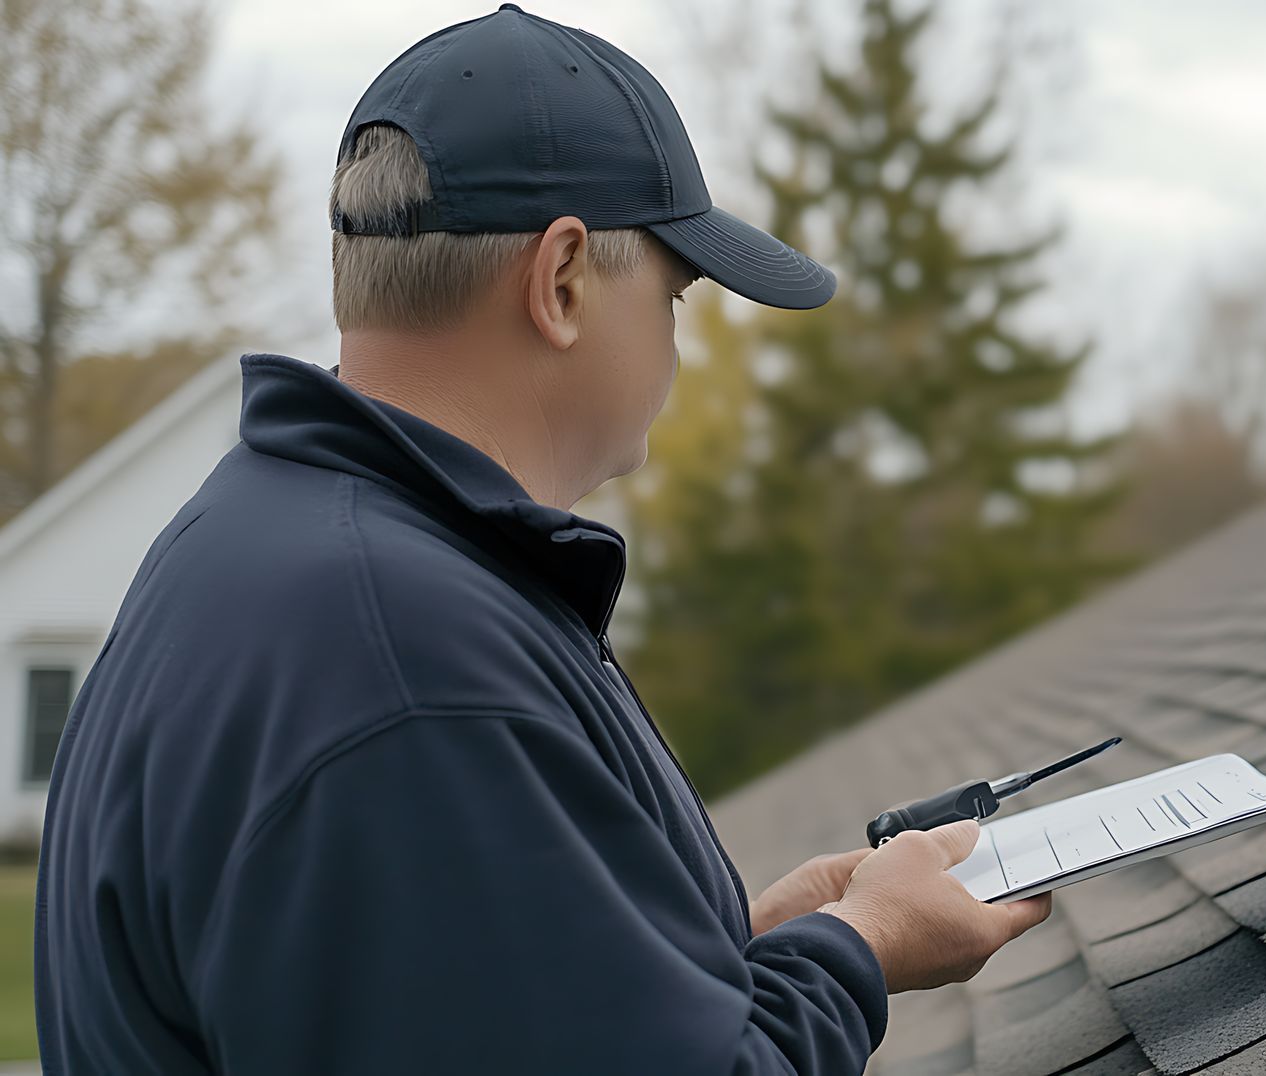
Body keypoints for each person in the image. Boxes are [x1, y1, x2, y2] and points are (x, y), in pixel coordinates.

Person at [33, 5, 1051, 1073]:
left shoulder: (265, 542)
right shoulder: (401, 653)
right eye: (673, 294)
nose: (673, 340)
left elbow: (462, 1006)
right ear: (562, 283)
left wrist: (723, 951)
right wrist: (864, 943)